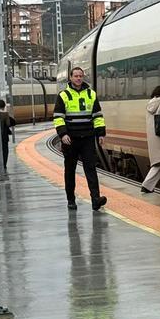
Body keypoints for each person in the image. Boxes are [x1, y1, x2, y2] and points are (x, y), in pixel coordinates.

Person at [53, 66, 107, 211]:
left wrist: (101, 133)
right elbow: (58, 118)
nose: (78, 78)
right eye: (75, 76)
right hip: (70, 139)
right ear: (70, 78)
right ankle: (71, 200)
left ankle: (96, 199)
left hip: (87, 138)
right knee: (70, 170)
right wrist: (63, 134)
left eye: (80, 76)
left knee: (91, 168)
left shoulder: (91, 94)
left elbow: (97, 116)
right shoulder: (63, 95)